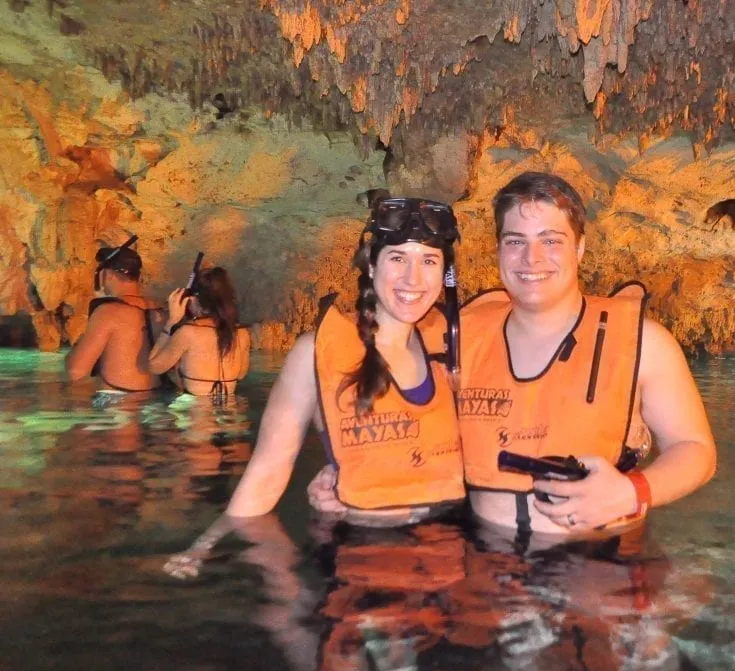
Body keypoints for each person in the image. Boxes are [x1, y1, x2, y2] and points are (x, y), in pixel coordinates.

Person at [165, 196, 466, 578]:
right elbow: (268, 473)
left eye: (428, 261)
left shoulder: (454, 347)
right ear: (371, 265)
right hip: (364, 555)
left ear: (445, 274)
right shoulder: (314, 353)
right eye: (397, 259)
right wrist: (202, 547)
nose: (413, 279)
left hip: (456, 549)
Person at [456, 171, 717, 537]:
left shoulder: (645, 343)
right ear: (498, 250)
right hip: (481, 557)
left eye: (550, 240)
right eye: (515, 241)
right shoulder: (461, 338)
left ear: (579, 248)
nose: (531, 258)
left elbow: (695, 449)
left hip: (599, 560)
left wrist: (632, 492)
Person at [65, 237, 167, 392]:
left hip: (116, 405)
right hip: (155, 398)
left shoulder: (109, 312)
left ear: (108, 275)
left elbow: (76, 371)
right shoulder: (161, 309)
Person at [147, 266, 251, 399]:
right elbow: (240, 374)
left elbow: (154, 367)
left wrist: (171, 322)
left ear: (193, 300)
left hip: (195, 410)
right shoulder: (241, 333)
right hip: (231, 408)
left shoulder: (188, 332)